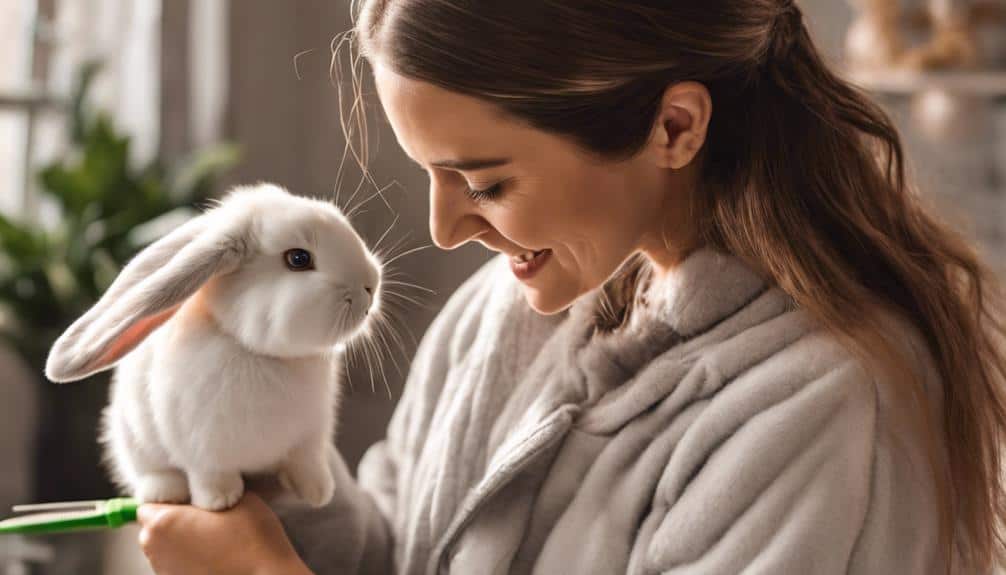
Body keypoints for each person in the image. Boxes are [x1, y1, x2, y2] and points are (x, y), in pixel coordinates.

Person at [135, 1, 1006, 574]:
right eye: (430, 176)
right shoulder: (498, 316)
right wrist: (270, 468)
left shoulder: (821, 412)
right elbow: (401, 551)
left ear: (674, 126)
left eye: (487, 182)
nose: (445, 231)